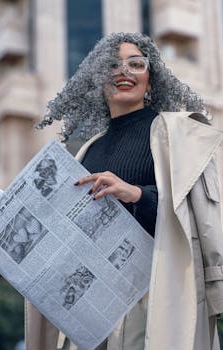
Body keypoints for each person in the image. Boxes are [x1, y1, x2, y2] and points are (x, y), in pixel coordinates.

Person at [26, 32, 223, 350]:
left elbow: (200, 218)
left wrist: (136, 194)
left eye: (136, 64)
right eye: (112, 66)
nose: (124, 72)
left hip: (153, 300)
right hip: (87, 306)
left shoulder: (179, 135)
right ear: (98, 81)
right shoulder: (88, 150)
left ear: (151, 78)